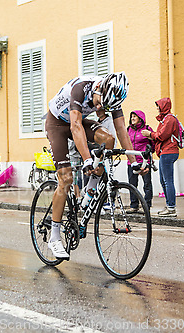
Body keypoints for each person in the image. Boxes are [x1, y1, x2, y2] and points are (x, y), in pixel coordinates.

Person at [45, 72, 144, 259]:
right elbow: (75, 126)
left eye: (104, 107)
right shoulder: (81, 88)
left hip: (79, 121)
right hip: (57, 125)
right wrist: (87, 158)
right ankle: (55, 237)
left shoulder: (112, 97)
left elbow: (122, 130)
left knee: (108, 139)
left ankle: (90, 190)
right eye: (99, 103)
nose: (99, 108)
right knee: (66, 179)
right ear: (99, 88)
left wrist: (134, 162)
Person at [141, 97, 179, 217]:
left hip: (168, 152)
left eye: (159, 106)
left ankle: (171, 207)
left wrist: (150, 134)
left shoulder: (170, 119)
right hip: (165, 152)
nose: (157, 108)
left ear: (164, 106)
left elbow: (162, 135)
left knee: (167, 181)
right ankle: (169, 205)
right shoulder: (166, 119)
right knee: (164, 181)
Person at [126, 110, 154, 213]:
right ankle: (134, 205)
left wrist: (149, 155)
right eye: (131, 116)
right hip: (131, 162)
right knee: (132, 184)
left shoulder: (147, 129)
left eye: (135, 116)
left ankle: (147, 205)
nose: (132, 118)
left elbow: (152, 144)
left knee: (147, 183)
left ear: (140, 118)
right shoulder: (128, 129)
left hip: (144, 161)